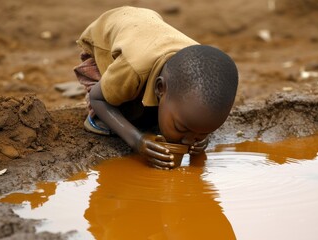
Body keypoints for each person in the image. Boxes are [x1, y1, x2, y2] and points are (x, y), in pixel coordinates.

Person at [74, 6, 238, 169]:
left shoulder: (200, 66)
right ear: (160, 88)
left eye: (202, 134)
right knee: (131, 112)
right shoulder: (133, 69)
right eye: (181, 128)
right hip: (105, 42)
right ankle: (96, 120)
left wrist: (201, 139)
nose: (188, 142)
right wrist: (137, 140)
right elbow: (98, 98)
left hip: (147, 28)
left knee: (166, 116)